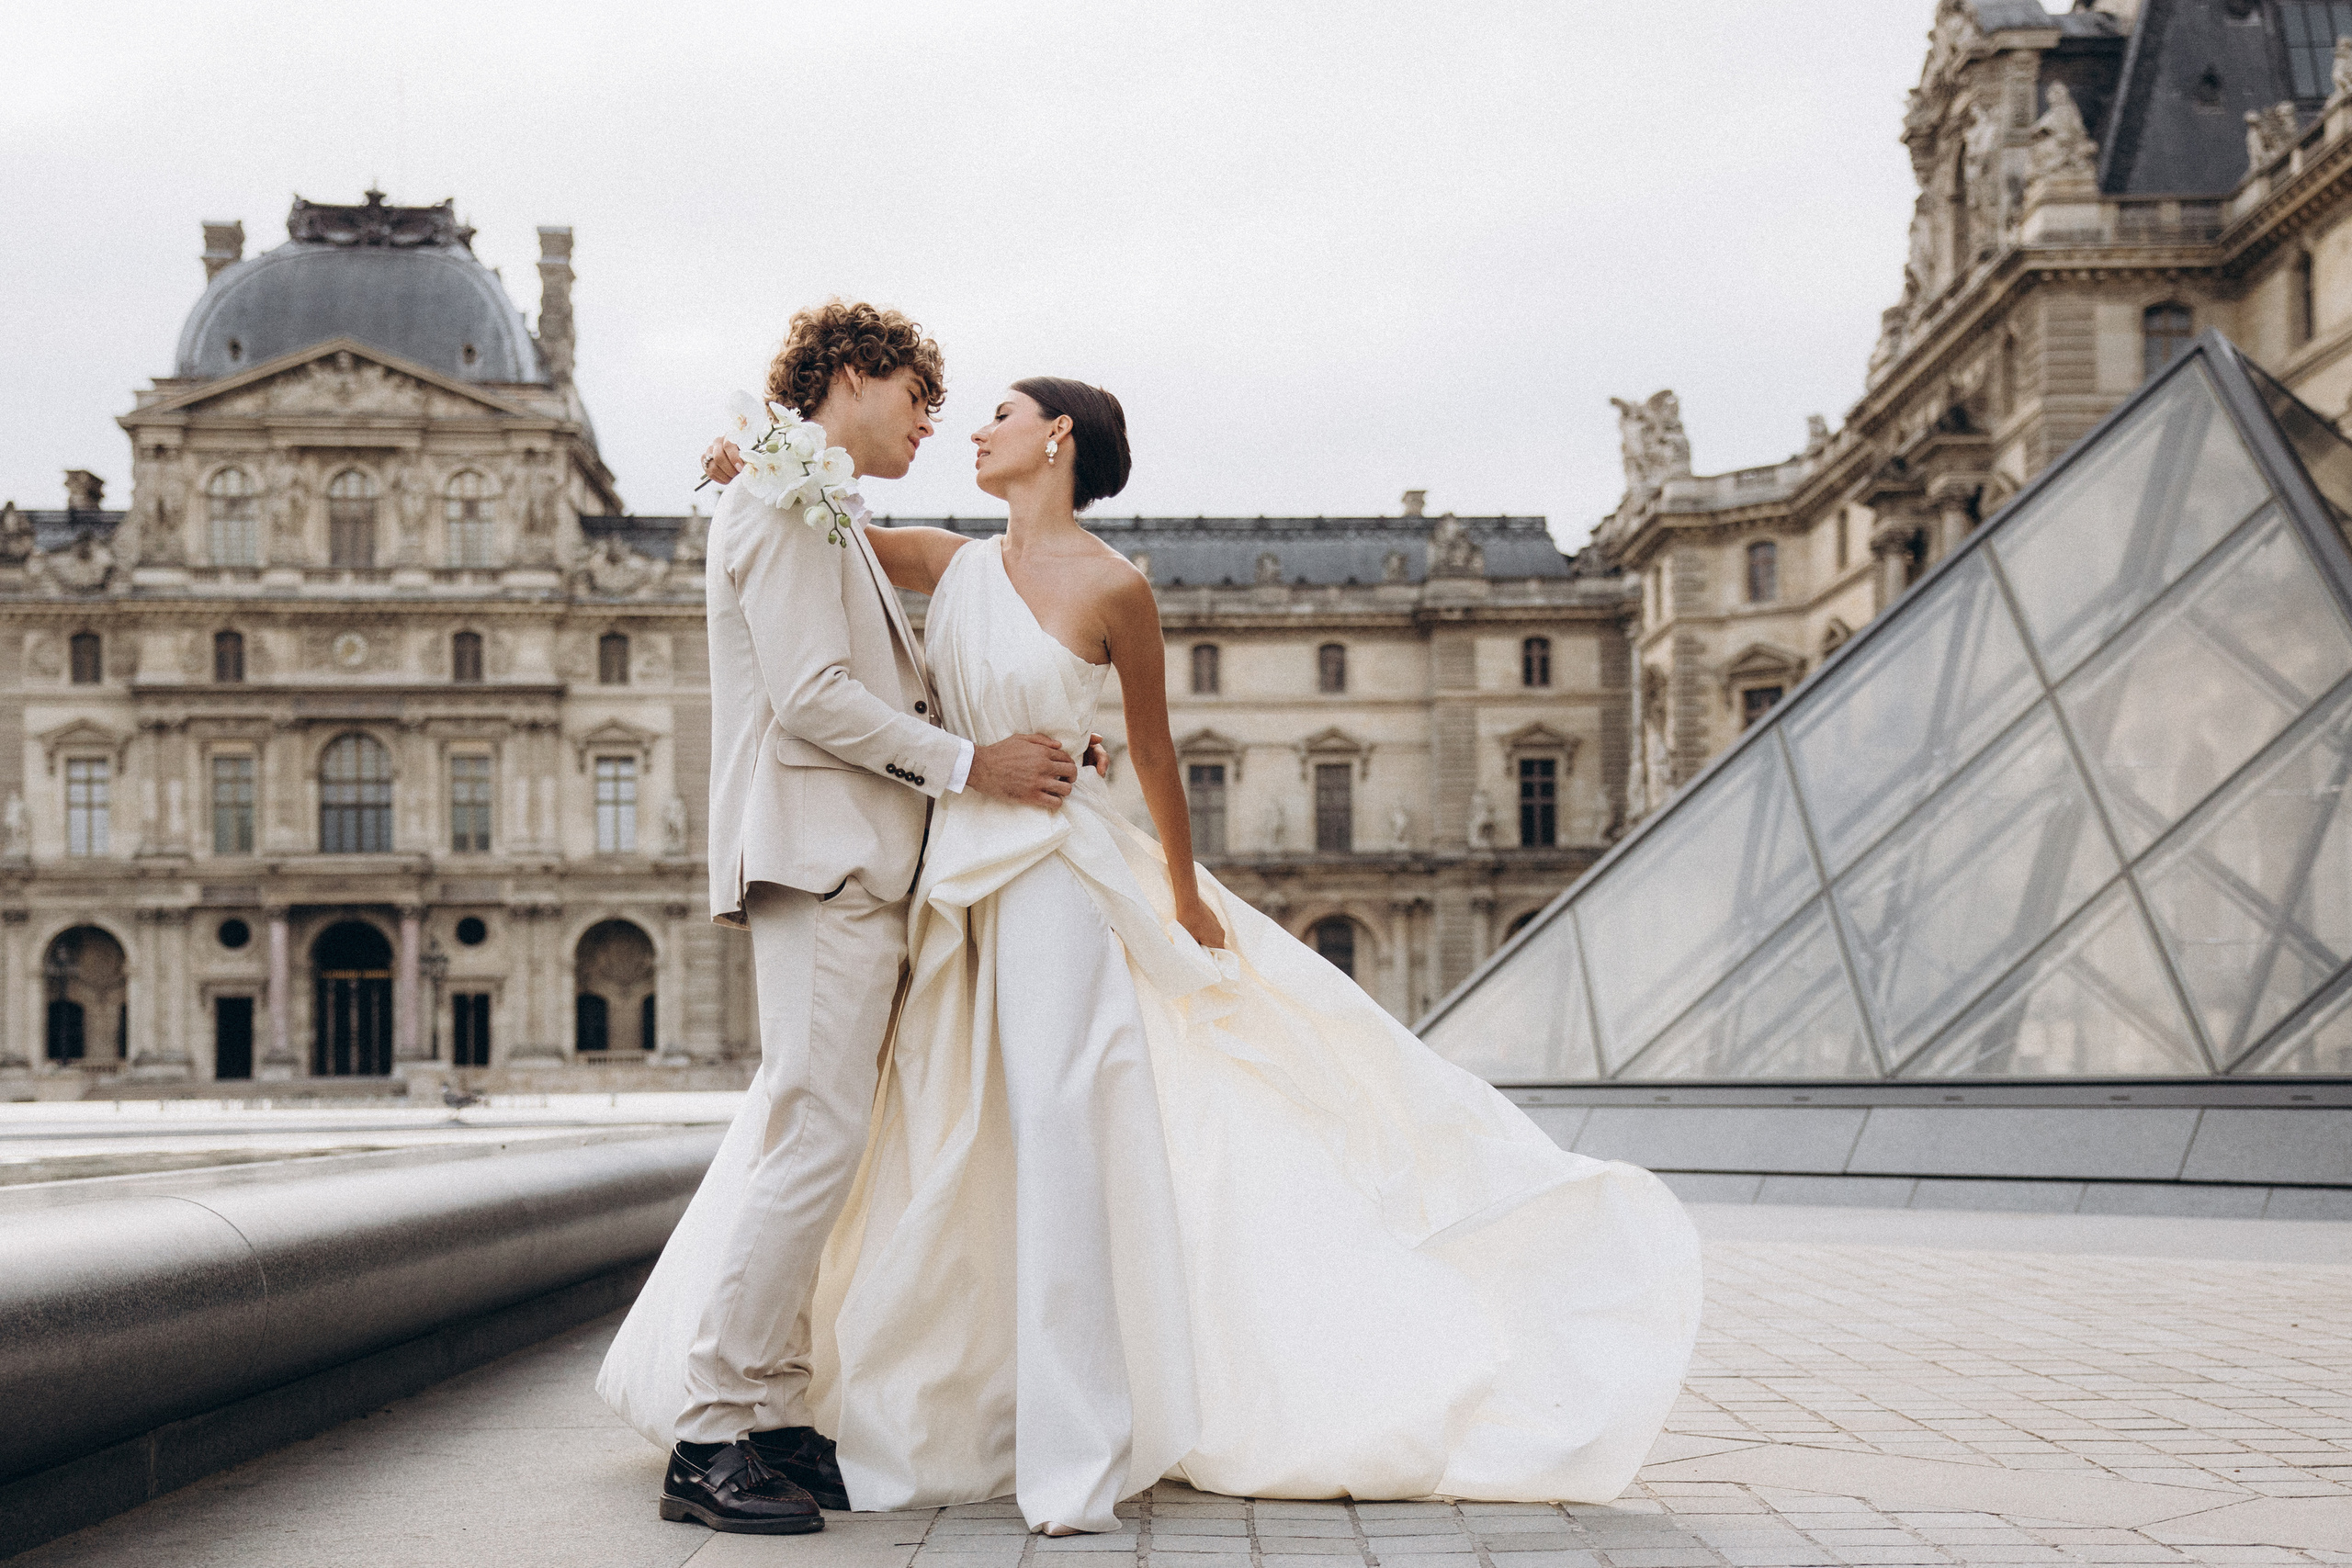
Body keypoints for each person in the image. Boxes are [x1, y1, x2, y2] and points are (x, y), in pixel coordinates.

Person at [616, 375, 1706, 1534]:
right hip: (944, 876)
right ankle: (883, 1399)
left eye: (998, 412)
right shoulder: (955, 561)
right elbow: (836, 535)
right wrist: (754, 462)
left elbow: (1155, 751)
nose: (972, 426)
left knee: (1053, 1126)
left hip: (1048, 868)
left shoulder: (1116, 586)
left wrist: (1184, 894)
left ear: (1057, 437)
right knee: (936, 1131)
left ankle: (1068, 1439)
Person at [594, 302, 1091, 1537]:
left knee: (817, 1137)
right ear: (855, 375)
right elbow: (814, 696)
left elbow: (871, 687)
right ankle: (711, 1431)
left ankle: (767, 1409)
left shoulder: (805, 500)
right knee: (814, 1137)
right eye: (920, 398)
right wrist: (972, 764)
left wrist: (1016, 741)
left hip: (853, 859)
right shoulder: (780, 500)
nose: (931, 425)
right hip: (824, 860)